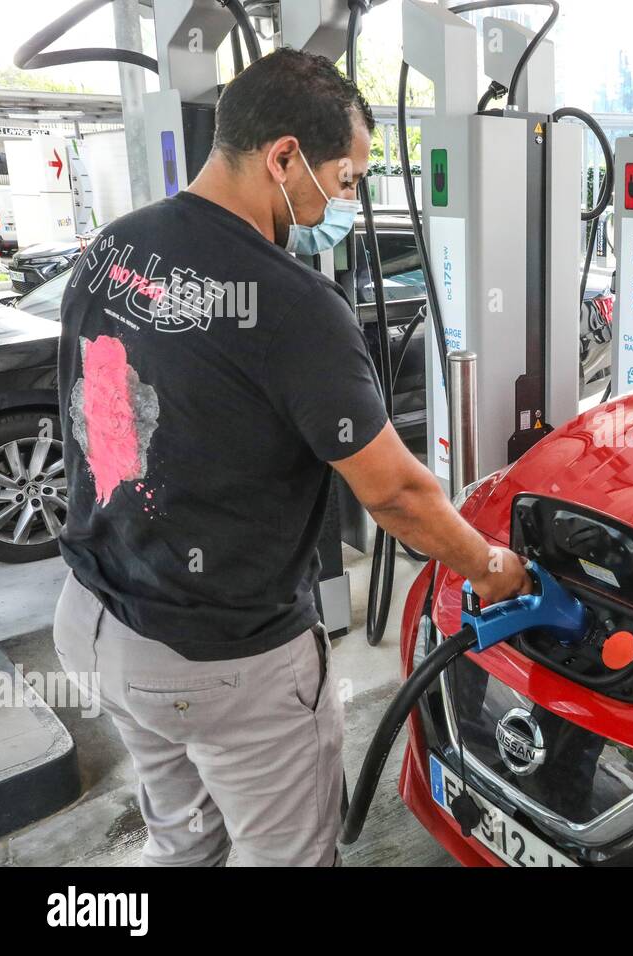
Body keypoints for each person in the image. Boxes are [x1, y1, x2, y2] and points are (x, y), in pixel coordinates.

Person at [52, 48, 531, 867]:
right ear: (283, 157)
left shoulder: (112, 248)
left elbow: (113, 433)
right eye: (345, 180)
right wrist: (489, 566)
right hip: (224, 659)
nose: (344, 201)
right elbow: (398, 498)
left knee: (182, 839)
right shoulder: (293, 304)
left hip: (95, 621)